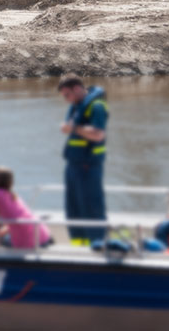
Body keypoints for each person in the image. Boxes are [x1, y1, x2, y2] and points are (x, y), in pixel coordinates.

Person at [58, 73, 109, 246]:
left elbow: (98, 134)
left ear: (77, 89)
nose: (66, 99)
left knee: (91, 208)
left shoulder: (97, 106)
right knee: (74, 209)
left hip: (89, 166)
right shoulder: (75, 106)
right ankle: (78, 246)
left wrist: (74, 128)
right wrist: (69, 128)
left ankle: (97, 245)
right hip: (73, 165)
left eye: (67, 95)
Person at [0, 167, 52, 249]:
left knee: (1, 240)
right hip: (44, 237)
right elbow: (17, 219)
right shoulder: (12, 195)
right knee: (4, 236)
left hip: (30, 243)